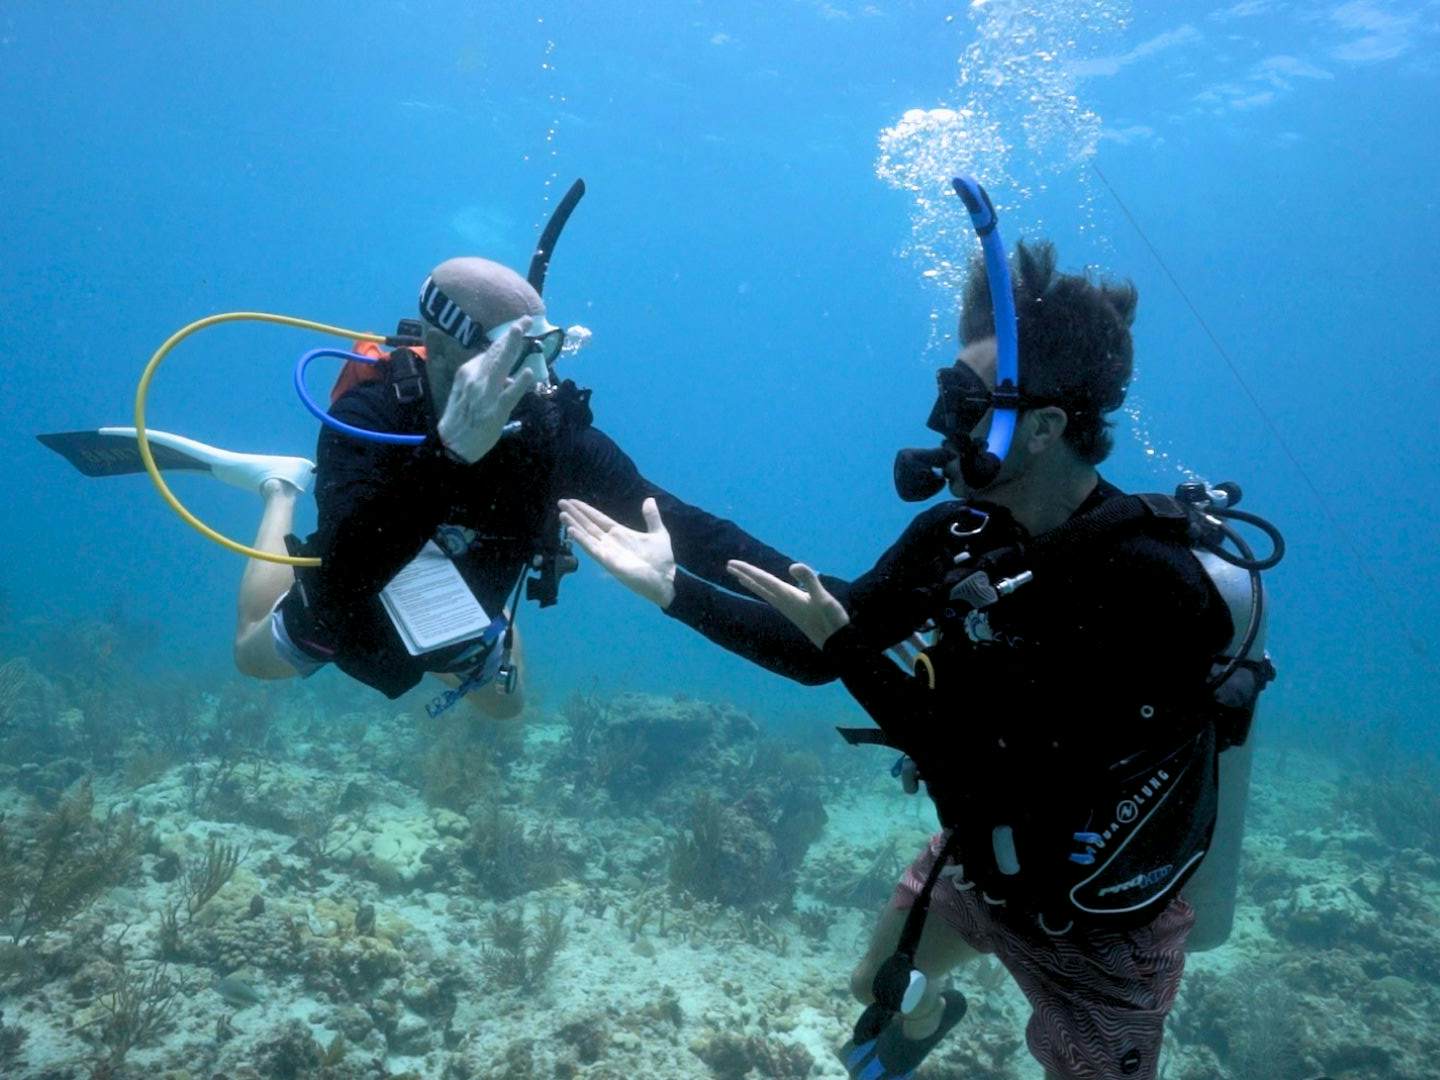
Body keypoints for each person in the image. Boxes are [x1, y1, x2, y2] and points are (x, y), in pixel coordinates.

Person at [558, 238, 1275, 1080]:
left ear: (1044, 427)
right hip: (983, 862)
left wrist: (848, 645)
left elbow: (990, 763)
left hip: (1102, 925)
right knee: (880, 984)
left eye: (966, 404)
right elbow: (817, 642)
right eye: (947, 395)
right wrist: (676, 587)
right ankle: (927, 1023)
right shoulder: (959, 537)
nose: (942, 427)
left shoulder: (1152, 587)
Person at [79, 256, 802, 720]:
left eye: (547, 351)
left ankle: (478, 625)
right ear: (452, 349)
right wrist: (452, 454)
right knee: (253, 657)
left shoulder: (549, 429)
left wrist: (829, 602)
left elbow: (680, 526)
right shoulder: (370, 412)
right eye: (519, 354)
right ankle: (277, 490)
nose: (539, 379)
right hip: (359, 590)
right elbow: (345, 574)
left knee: (505, 712)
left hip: (459, 603)